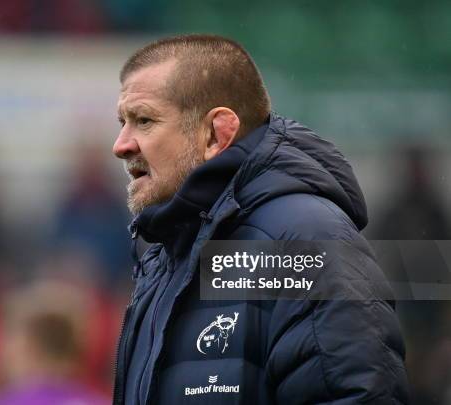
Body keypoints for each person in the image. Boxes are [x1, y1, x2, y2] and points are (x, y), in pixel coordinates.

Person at [111, 34, 408, 404]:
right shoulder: (166, 255)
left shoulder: (303, 240)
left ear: (216, 134)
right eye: (123, 122)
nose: (121, 144)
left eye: (144, 120)